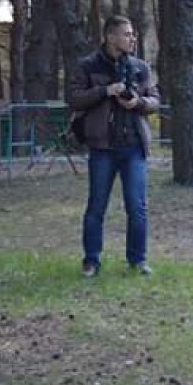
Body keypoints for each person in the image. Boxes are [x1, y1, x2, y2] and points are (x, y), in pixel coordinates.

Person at [68, 15, 160, 278]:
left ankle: (138, 260)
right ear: (110, 36)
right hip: (102, 148)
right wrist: (104, 91)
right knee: (97, 206)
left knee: (137, 207)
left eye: (133, 34)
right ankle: (91, 261)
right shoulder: (88, 66)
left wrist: (138, 103)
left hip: (133, 148)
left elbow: (155, 100)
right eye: (127, 34)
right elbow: (74, 99)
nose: (133, 38)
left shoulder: (141, 67)